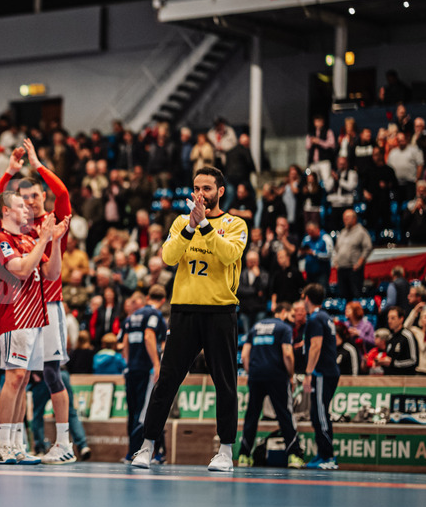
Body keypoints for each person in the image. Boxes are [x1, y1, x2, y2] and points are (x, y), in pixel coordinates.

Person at [133, 166, 247, 472]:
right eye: (197, 188)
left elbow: (227, 256)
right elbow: (169, 257)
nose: (200, 194)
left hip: (220, 311)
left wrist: (206, 226)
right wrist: (189, 228)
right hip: (183, 309)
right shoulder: (181, 222)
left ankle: (225, 451)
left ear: (220, 191)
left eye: (207, 189)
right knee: (167, 379)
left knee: (225, 383)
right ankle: (146, 445)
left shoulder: (235, 224)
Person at [0, 138, 76, 464]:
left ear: (43, 196)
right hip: (25, 309)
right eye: (24, 198)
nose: (29, 202)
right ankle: (14, 441)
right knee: (26, 375)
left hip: (51, 304)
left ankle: (64, 442)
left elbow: (65, 195)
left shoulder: (53, 221)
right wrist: (8, 173)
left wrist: (37, 163)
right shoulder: (24, 228)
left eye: (34, 196)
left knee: (51, 373)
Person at [0, 193, 64, 464]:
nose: (27, 209)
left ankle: (16, 444)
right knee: (14, 378)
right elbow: (20, 269)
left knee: (22, 383)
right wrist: (44, 239)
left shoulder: (31, 239)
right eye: (20, 205)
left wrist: (53, 241)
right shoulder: (0, 239)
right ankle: (3, 444)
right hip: (14, 316)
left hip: (35, 317)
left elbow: (52, 274)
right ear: (6, 210)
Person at [237, 303, 304, 469]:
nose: (293, 319)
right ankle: (294, 456)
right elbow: (288, 353)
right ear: (283, 312)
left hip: (256, 375)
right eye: (291, 315)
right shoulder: (284, 328)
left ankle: (244, 456)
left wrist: (251, 371)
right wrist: (291, 375)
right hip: (277, 376)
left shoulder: (256, 327)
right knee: (285, 415)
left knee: (252, 415)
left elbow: (245, 354)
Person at [122, 285, 167, 462]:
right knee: (144, 413)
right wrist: (156, 364)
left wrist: (128, 363)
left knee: (133, 411)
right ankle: (138, 452)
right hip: (146, 369)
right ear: (163, 300)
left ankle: (130, 452)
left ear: (148, 297)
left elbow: (124, 343)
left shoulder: (132, 316)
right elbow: (149, 336)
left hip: (131, 369)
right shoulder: (154, 315)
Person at [302, 283, 340, 470]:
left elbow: (316, 346)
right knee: (316, 414)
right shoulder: (325, 317)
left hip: (322, 373)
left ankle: (328, 456)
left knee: (321, 414)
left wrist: (308, 373)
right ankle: (322, 454)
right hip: (327, 371)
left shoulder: (316, 319)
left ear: (307, 298)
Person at [333, 209, 372, 300]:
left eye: (348, 217)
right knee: (343, 295)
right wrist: (336, 262)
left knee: (356, 294)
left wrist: (360, 262)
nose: (345, 219)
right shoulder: (343, 232)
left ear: (355, 219)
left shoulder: (361, 232)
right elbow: (336, 249)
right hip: (341, 268)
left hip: (354, 269)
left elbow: (368, 247)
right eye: (344, 218)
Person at [383, 306, 419, 375]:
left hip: (405, 381)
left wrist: (393, 363)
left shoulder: (407, 336)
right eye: (388, 318)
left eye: (393, 318)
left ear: (401, 319)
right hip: (390, 380)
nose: (389, 321)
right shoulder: (390, 337)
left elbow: (413, 361)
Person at [299, 221, 333, 288]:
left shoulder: (325, 238)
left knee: (320, 291)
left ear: (317, 229)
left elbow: (328, 255)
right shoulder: (306, 239)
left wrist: (314, 253)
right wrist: (302, 253)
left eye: (312, 231)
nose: (310, 233)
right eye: (308, 231)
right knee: (310, 292)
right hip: (310, 271)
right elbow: (300, 254)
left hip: (322, 272)